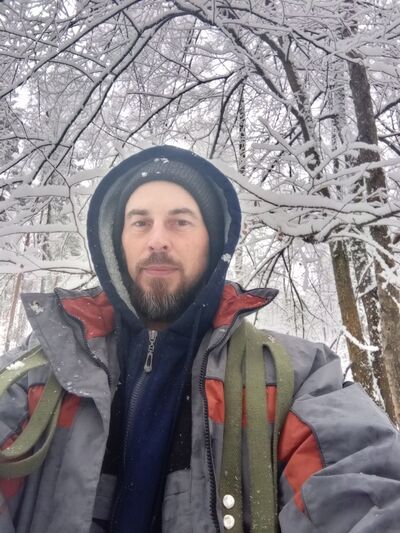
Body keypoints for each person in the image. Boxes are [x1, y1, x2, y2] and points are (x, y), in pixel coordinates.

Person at [0, 145, 399, 533]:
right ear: (115, 243)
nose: (158, 240)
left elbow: (364, 486)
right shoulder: (40, 371)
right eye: (140, 223)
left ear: (214, 243)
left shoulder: (297, 378)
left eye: (180, 222)